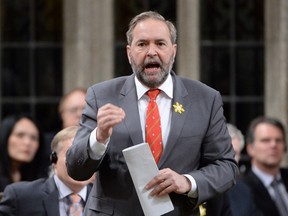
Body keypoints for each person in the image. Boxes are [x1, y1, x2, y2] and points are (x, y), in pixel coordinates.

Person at [66, 11, 238, 215]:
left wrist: (187, 182)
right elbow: (76, 169)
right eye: (142, 44)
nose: (151, 52)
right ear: (129, 52)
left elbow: (226, 167)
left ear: (173, 50)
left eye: (160, 43)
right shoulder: (101, 95)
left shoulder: (205, 99)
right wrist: (99, 137)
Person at [0, 126, 93, 216]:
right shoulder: (21, 197)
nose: (83, 163)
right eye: (73, 155)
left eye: (89, 156)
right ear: (54, 160)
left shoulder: (105, 200)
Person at [238, 116, 288, 216]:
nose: (273, 145)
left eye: (278, 140)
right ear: (250, 148)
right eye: (266, 140)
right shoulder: (241, 188)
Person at [0, 114, 49, 191]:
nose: (27, 142)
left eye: (34, 138)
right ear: (4, 138)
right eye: (20, 135)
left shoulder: (41, 180)